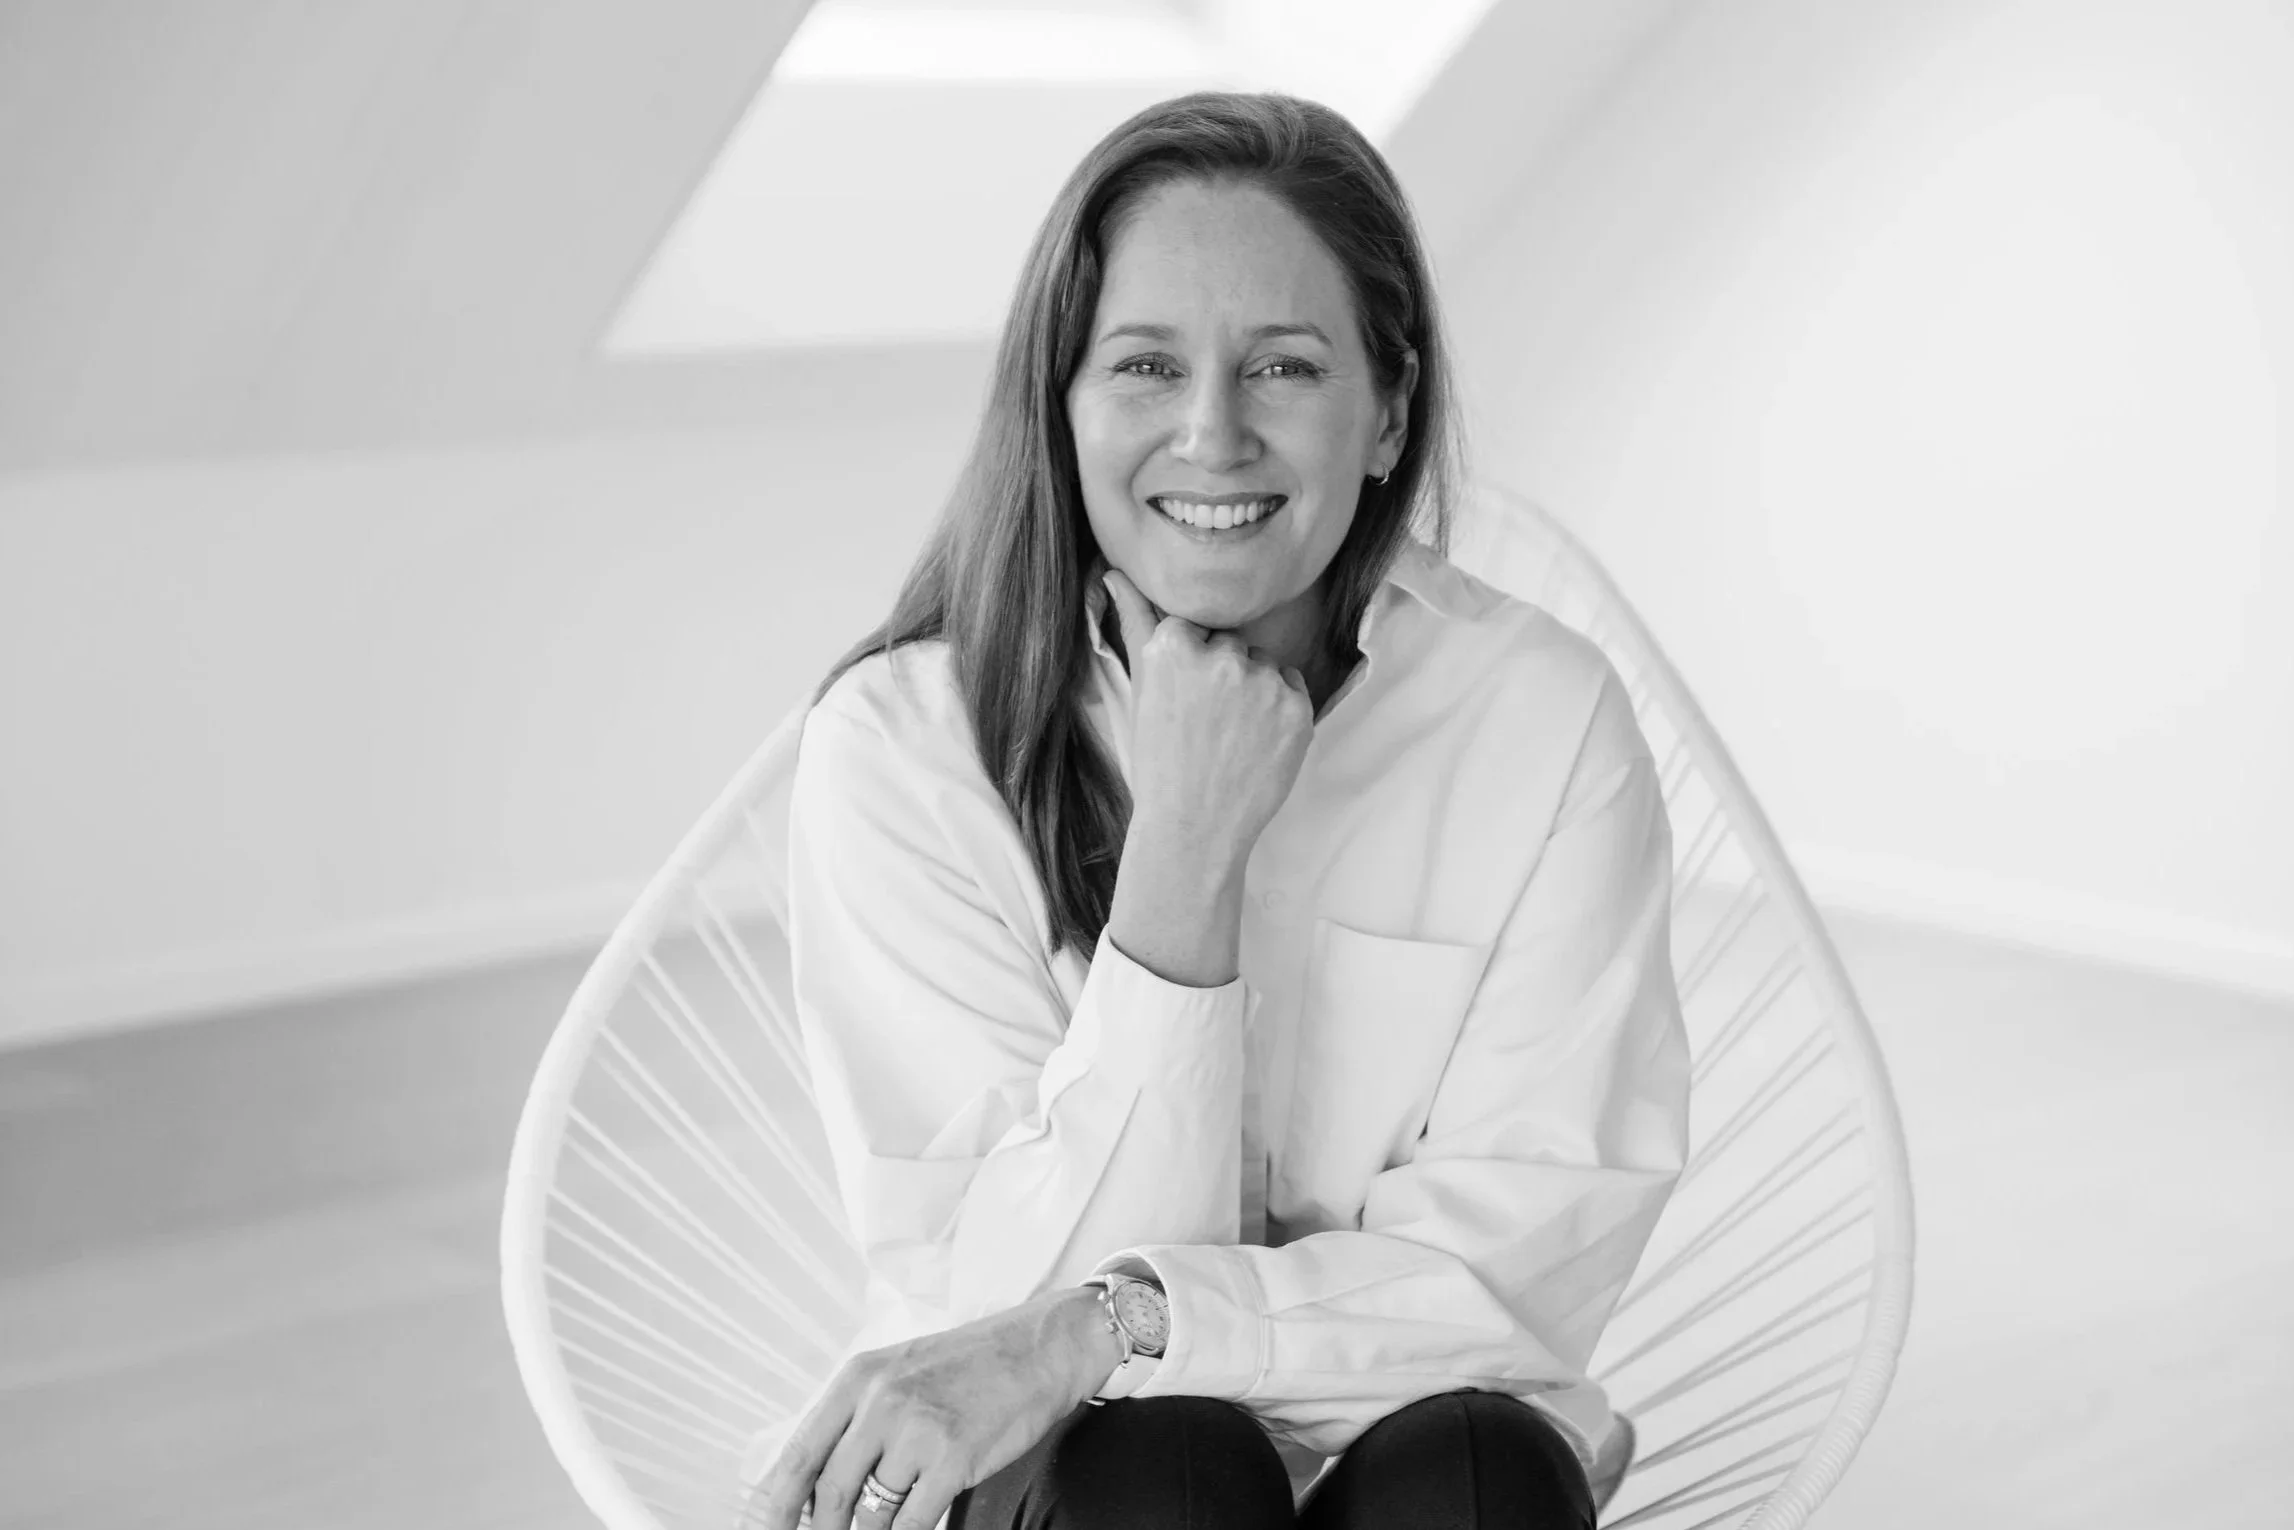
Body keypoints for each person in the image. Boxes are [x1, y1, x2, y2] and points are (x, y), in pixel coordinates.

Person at [739, 90, 1689, 1530]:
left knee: (1483, 1468)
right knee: (1165, 1468)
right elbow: (990, 1310)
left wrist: (1114, 1323)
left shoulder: (1541, 719)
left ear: (1387, 412)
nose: (1211, 432)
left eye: (1283, 367)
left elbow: (1515, 1282)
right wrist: (1185, 852)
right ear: (1059, 407)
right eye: (1144, 365)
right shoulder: (903, 749)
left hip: (1410, 1451)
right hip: (1063, 1482)